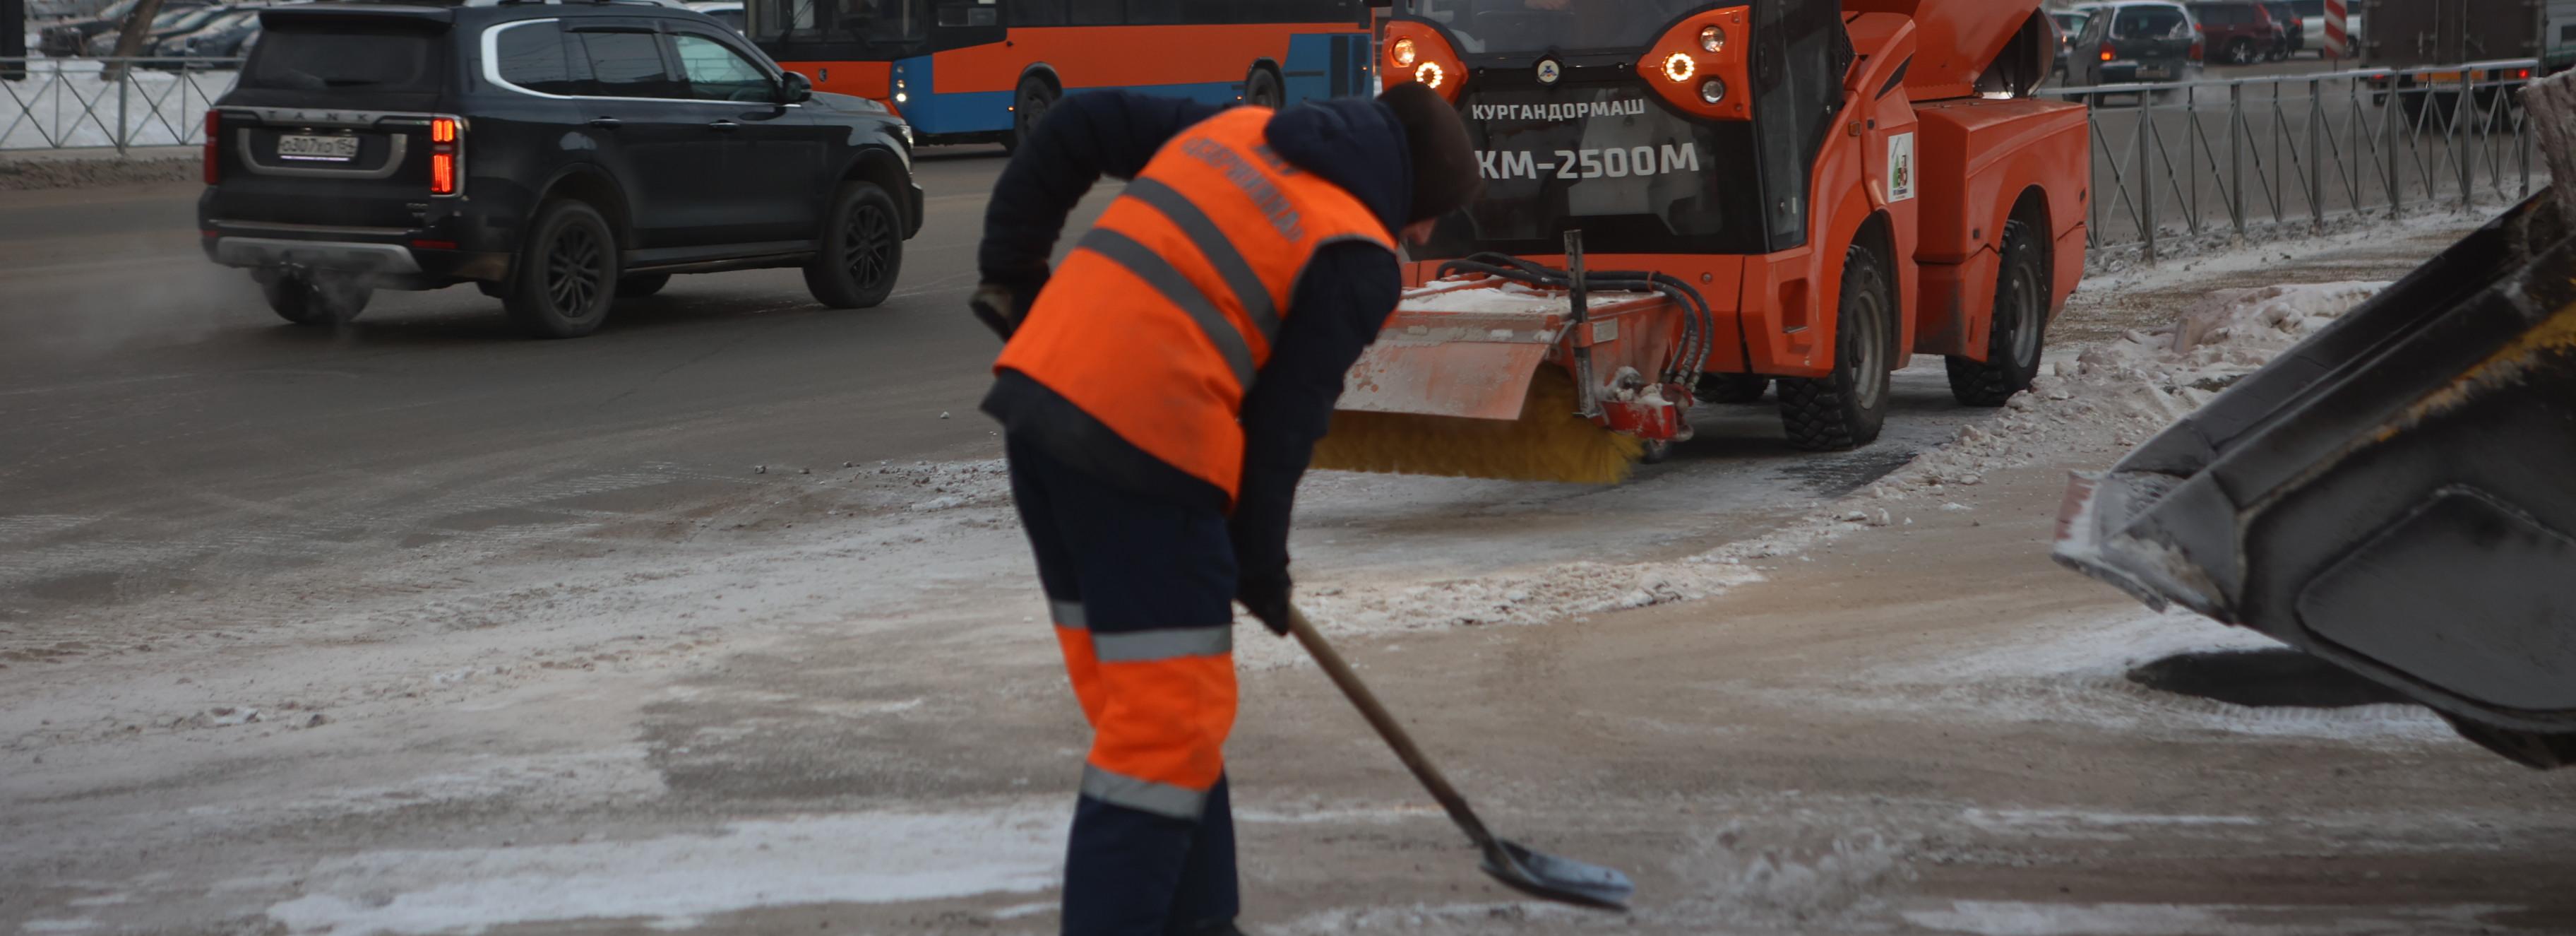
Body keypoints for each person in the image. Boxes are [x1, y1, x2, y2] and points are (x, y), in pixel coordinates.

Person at [969, 83, 1480, 936]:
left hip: (1039, 418)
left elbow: (1078, 122)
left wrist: (1012, 268)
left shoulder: (1237, 128)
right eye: (1432, 215)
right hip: (1145, 456)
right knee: (1165, 730)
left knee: (1154, 714)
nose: (1424, 233)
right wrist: (1261, 563)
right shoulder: (1356, 254)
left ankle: (1201, 920)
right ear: (1408, 193)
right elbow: (1284, 428)